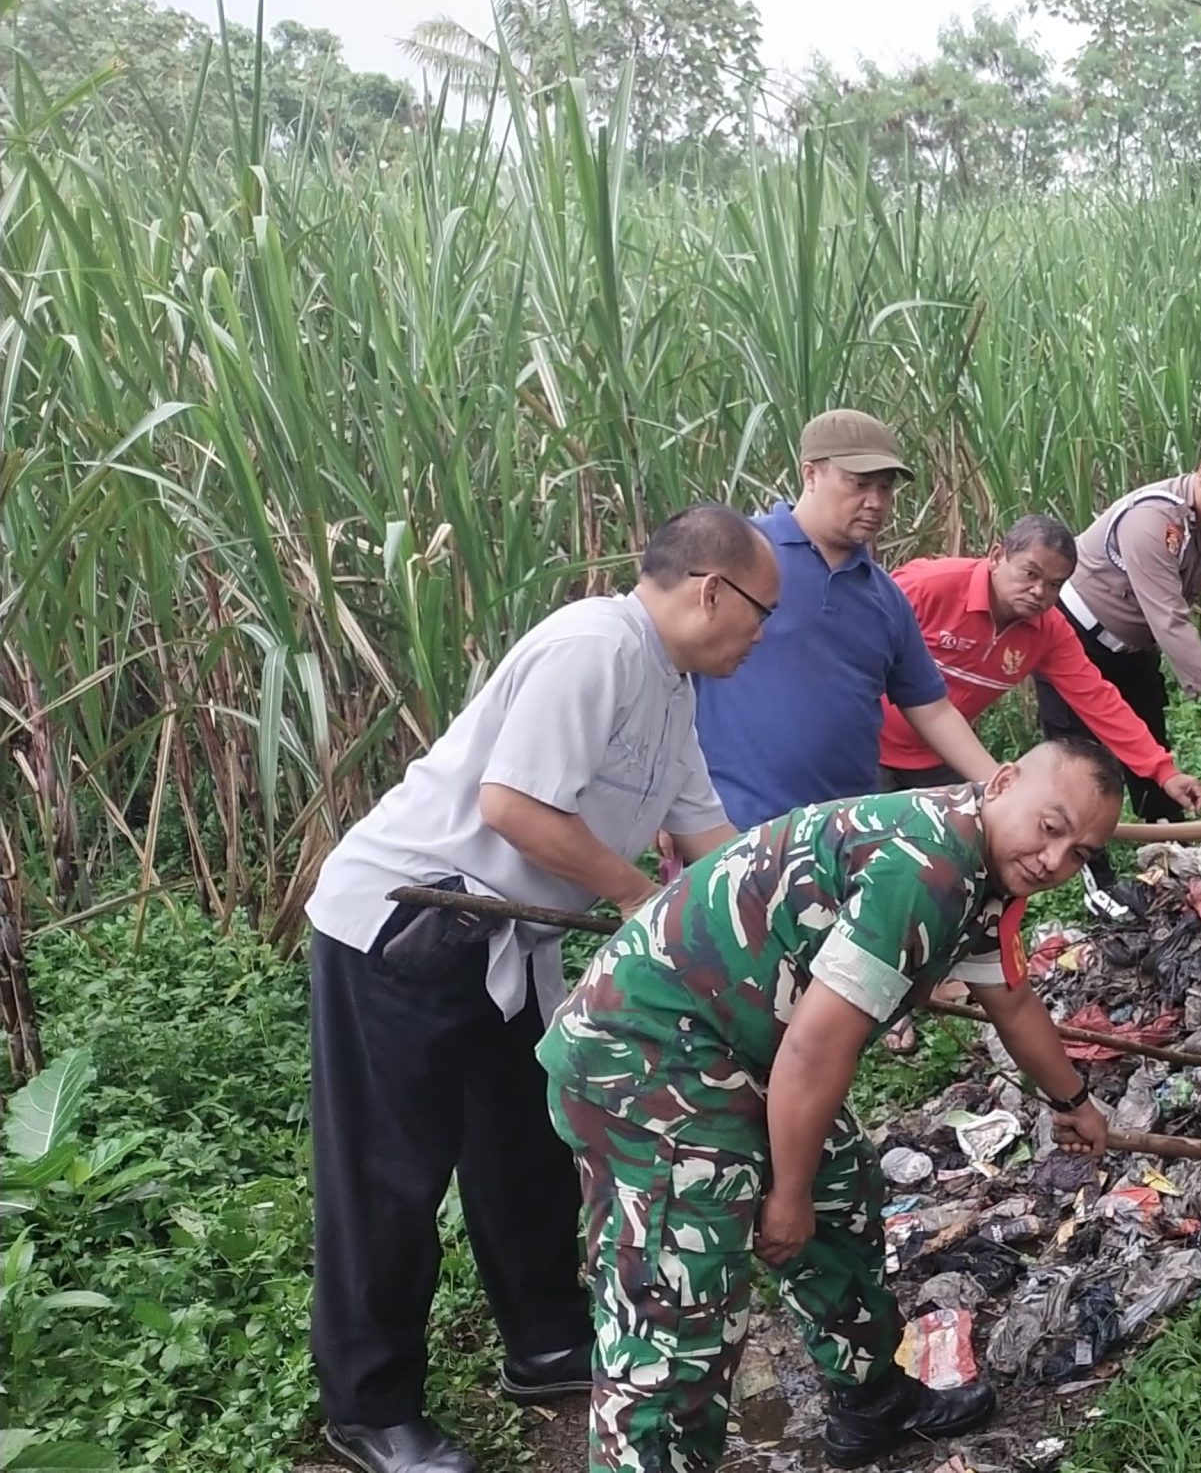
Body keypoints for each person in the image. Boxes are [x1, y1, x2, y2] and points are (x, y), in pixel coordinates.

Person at [301, 505, 777, 1473]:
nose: (762, 636)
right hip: (404, 927)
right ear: (710, 590)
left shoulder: (671, 684)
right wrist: (642, 899)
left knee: (523, 1145)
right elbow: (512, 805)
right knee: (390, 1174)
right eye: (761, 613)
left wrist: (781, 917)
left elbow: (706, 837)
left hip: (501, 937)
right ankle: (368, 1403)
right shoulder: (592, 647)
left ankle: (547, 1340)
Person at [538, 740, 1124, 1472]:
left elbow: (1012, 1000)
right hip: (647, 1051)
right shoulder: (927, 867)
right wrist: (785, 1194)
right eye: (1051, 826)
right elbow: (817, 1051)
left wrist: (1073, 1099)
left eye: (1079, 852)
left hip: (738, 1047)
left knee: (841, 1191)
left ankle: (871, 1402)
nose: (1054, 858)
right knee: (679, 1300)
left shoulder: (986, 870)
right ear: (1003, 783)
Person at [692, 410, 1000, 828]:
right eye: (858, 484)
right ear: (811, 474)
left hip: (837, 837)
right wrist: (665, 803)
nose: (875, 501)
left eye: (885, 488)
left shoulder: (885, 598)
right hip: (727, 827)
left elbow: (932, 710)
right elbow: (672, 673)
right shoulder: (736, 554)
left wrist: (999, 783)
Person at [1037, 433, 1201, 919]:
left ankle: (1168, 862)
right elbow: (1170, 620)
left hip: (1135, 646)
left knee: (1149, 745)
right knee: (1079, 763)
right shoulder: (1153, 520)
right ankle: (1097, 884)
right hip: (1075, 637)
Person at [876, 514, 1201, 818]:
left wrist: (1163, 770)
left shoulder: (1049, 631)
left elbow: (1098, 700)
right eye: (1030, 574)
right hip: (865, 748)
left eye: (1055, 585)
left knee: (958, 865)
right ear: (996, 557)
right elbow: (850, 639)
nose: (1039, 592)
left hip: (939, 758)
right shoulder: (930, 586)